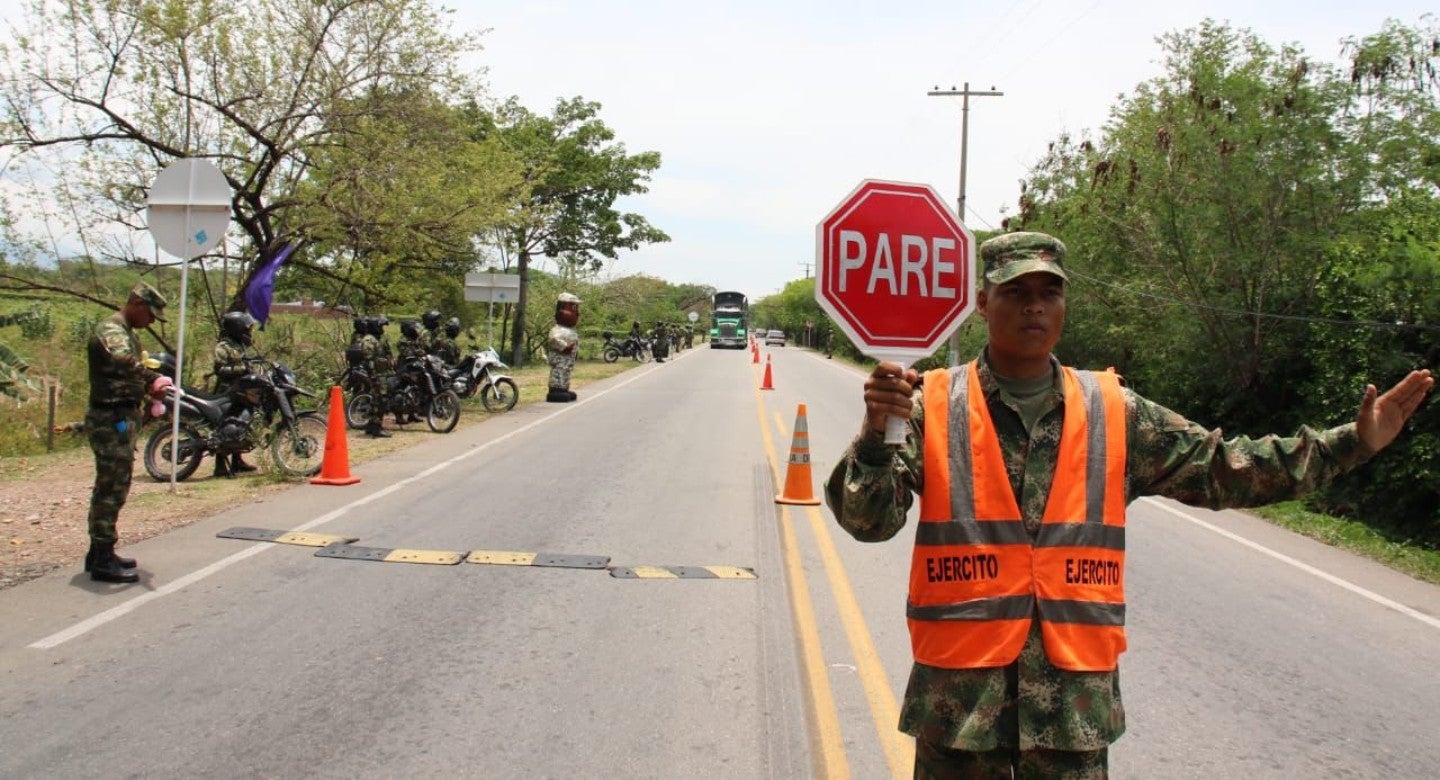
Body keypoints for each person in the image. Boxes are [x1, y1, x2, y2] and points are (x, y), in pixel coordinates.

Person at [824, 231, 1434, 779]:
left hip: (1072, 714)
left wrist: (1353, 443)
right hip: (957, 709)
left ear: (1065, 305)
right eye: (1015, 292)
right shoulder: (930, 404)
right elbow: (869, 521)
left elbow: (1228, 469)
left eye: (1049, 291)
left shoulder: (1116, 410)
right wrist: (880, 432)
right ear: (983, 304)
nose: (1034, 305)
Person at [84, 282, 173, 583]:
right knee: (112, 487)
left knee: (114, 485)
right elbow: (122, 361)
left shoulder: (128, 333)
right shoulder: (112, 330)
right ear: (136, 303)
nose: (151, 322)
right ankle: (102, 557)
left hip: (120, 416)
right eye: (150, 314)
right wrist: (153, 379)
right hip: (109, 418)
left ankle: (100, 552)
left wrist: (151, 395)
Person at [210, 310, 260, 477]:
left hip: (242, 391)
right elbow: (219, 369)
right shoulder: (223, 347)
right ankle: (220, 465)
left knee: (241, 425)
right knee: (226, 426)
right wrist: (242, 368)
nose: (248, 332)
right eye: (246, 329)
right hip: (227, 392)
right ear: (236, 329)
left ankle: (237, 460)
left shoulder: (239, 345)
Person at [358, 316, 391, 438]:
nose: (382, 329)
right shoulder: (368, 340)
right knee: (380, 400)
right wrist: (374, 376)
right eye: (380, 326)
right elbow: (368, 360)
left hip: (381, 373)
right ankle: (376, 427)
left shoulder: (378, 339)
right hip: (375, 374)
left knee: (377, 400)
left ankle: (371, 426)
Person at [546, 292, 581, 402]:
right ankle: (555, 390)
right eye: (573, 308)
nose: (577, 313)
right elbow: (553, 339)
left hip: (567, 361)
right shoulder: (557, 329)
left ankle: (564, 388)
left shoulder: (570, 330)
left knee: (566, 373)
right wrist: (564, 347)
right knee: (558, 373)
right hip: (559, 360)